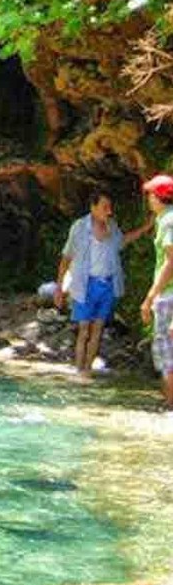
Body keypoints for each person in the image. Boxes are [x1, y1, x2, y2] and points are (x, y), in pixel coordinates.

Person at [55, 189, 150, 380]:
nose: (109, 211)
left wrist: (146, 227)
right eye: (104, 207)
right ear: (93, 207)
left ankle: (87, 370)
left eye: (109, 207)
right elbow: (67, 257)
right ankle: (78, 369)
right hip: (84, 283)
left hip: (107, 284)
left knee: (97, 328)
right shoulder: (79, 227)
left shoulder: (112, 226)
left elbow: (123, 241)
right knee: (83, 329)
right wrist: (59, 287)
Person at [141, 174, 173, 410]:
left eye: (151, 194)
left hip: (168, 296)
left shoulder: (168, 221)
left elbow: (170, 262)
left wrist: (151, 296)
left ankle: (170, 404)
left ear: (160, 197)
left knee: (165, 353)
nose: (149, 199)